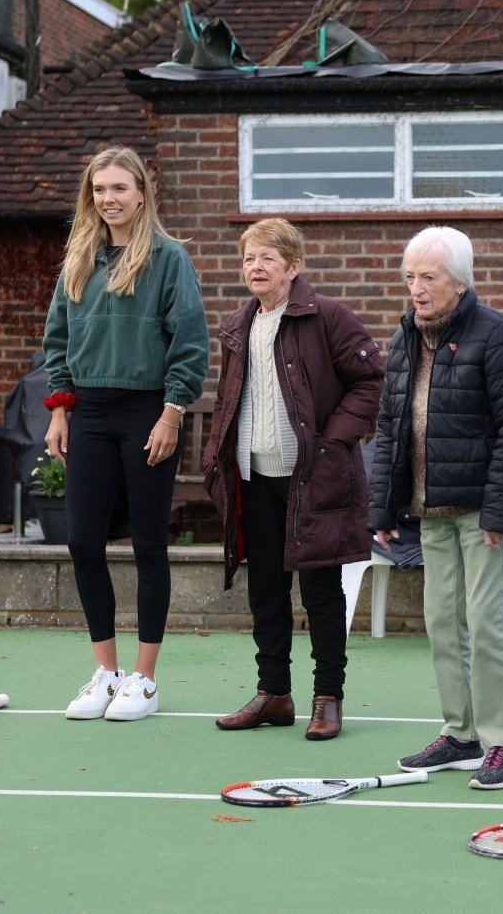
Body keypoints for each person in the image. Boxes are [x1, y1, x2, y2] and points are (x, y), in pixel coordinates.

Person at [42, 145, 209, 722]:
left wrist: (172, 412)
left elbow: (189, 343)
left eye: (119, 188)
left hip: (147, 413)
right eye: (99, 189)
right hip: (87, 413)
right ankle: (106, 673)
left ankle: (145, 679)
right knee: (83, 542)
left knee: (148, 546)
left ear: (142, 193)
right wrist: (60, 409)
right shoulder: (78, 258)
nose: (108, 199)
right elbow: (57, 341)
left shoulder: (168, 259)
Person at [369, 226, 503, 789]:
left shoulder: (498, 335)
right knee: (443, 625)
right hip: (429, 509)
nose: (416, 288)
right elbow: (391, 429)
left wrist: (499, 513)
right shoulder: (405, 339)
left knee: (486, 625)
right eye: (410, 277)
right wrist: (384, 509)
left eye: (428, 277)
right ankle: (461, 735)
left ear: (460, 282)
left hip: (482, 512)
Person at [203, 218, 384, 741]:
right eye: (248, 259)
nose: (255, 268)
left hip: (315, 478)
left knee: (322, 592)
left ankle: (328, 698)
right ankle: (274, 694)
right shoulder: (239, 325)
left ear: (293, 267)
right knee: (266, 591)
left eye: (267, 260)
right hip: (254, 477)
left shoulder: (326, 315)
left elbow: (372, 378)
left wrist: (333, 440)